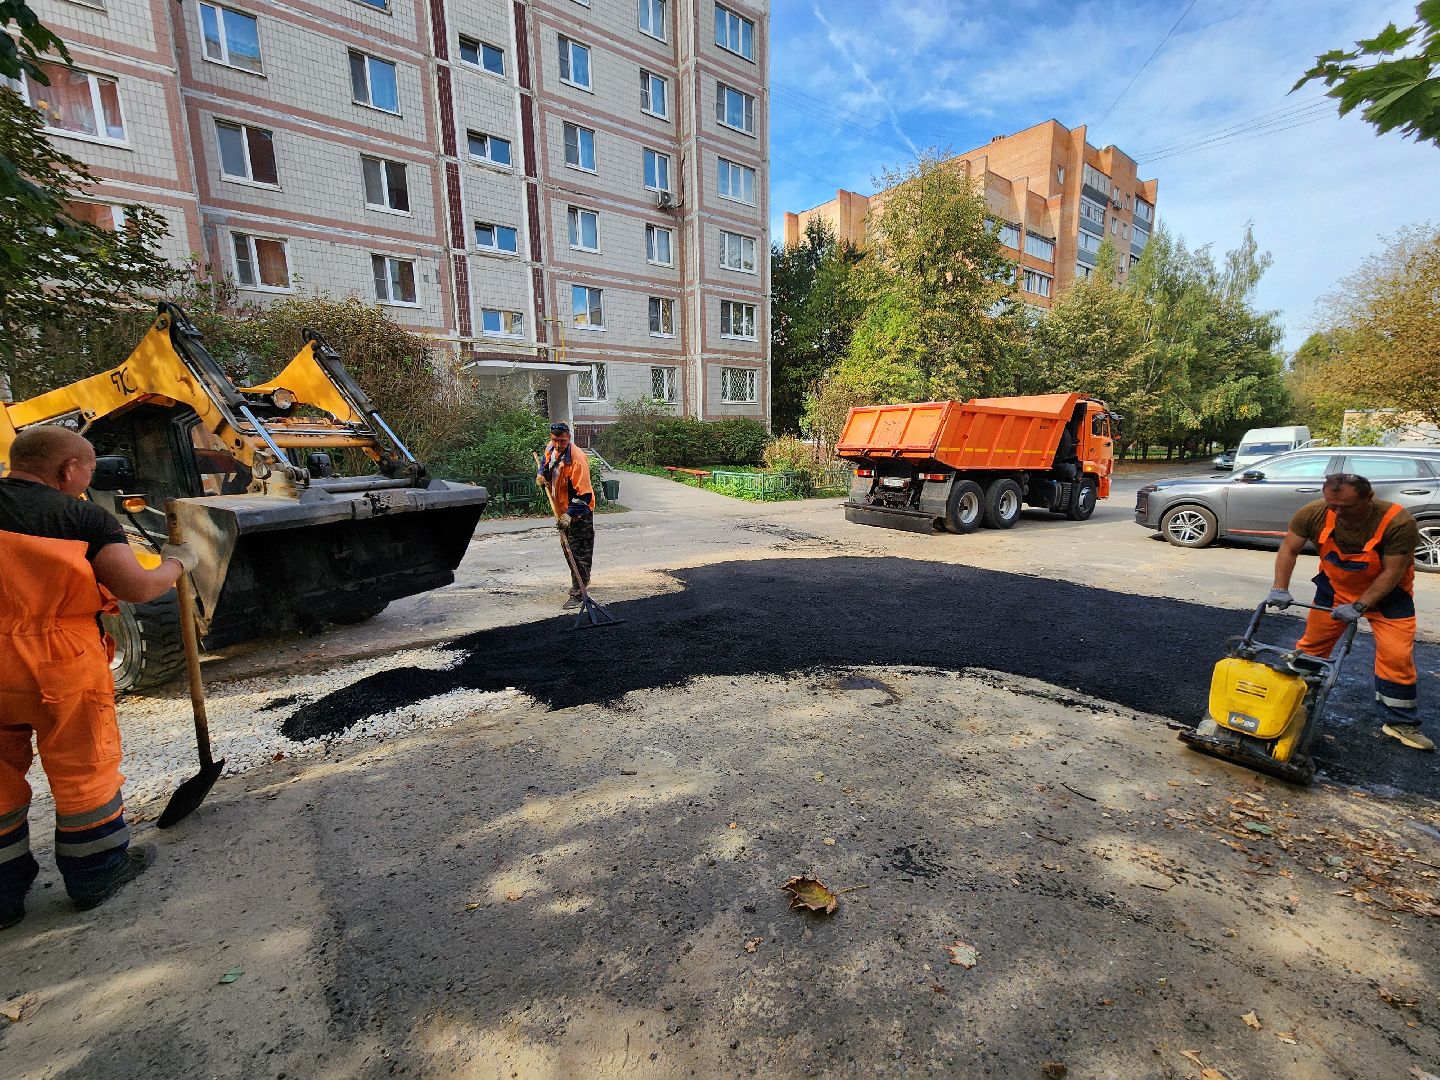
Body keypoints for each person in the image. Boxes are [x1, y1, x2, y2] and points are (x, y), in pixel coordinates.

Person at [0, 426, 199, 929]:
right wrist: (177, 563)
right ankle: (97, 873)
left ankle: (2, 897)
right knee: (82, 765)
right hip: (57, 660)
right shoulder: (81, 516)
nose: (90, 476)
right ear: (69, 470)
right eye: (89, 466)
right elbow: (135, 587)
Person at [1268, 472, 1429, 751]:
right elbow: (1289, 549)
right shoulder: (1314, 513)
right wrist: (1280, 588)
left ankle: (1399, 721)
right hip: (1335, 588)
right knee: (1312, 648)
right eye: (1333, 505)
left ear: (1369, 498)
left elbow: (1393, 572)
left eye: (1347, 506)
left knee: (1396, 655)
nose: (1338, 512)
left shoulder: (1397, 522)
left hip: (1389, 596)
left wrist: (1359, 606)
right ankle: (1294, 703)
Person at [535, 422, 596, 609]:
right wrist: (541, 474)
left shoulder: (577, 460)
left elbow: (584, 495)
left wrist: (570, 515)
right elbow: (545, 463)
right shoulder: (551, 448)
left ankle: (578, 593)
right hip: (562, 511)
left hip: (579, 514)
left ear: (569, 438)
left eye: (562, 441)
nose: (558, 444)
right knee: (568, 550)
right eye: (555, 440)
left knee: (578, 554)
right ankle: (582, 580)